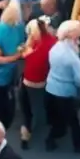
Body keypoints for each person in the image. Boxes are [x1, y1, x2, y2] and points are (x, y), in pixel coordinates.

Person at [44, 20, 80, 153]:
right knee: (74, 122)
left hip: (50, 88)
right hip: (65, 93)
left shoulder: (55, 48)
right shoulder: (72, 58)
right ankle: (78, 145)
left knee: (56, 119)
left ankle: (51, 140)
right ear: (74, 36)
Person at [20, 16, 57, 149]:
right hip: (45, 80)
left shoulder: (35, 48)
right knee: (44, 103)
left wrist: (27, 44)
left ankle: (26, 131)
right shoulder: (52, 42)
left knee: (26, 106)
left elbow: (25, 54)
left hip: (30, 81)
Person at [0, 0, 24, 129]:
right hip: (14, 68)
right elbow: (22, 44)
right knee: (10, 93)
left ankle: (1, 118)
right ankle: (4, 115)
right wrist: (17, 56)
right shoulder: (19, 27)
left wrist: (12, 57)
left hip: (0, 71)